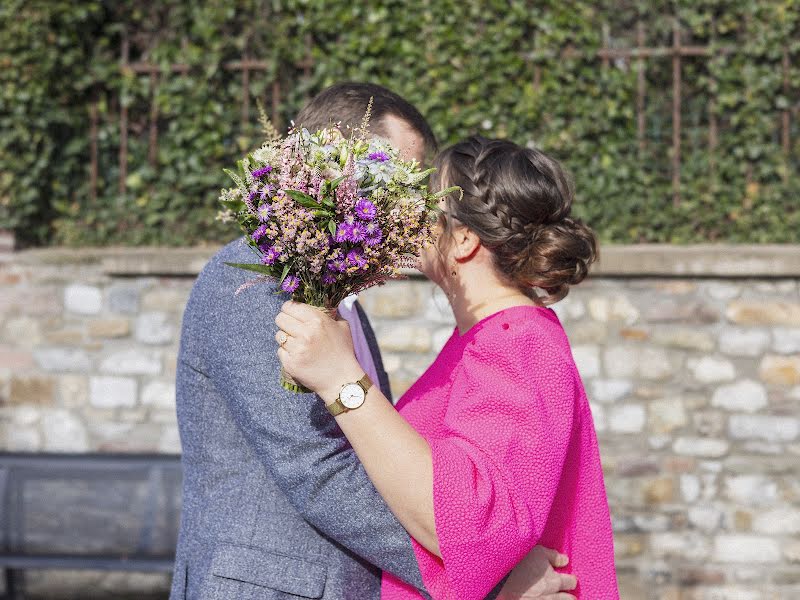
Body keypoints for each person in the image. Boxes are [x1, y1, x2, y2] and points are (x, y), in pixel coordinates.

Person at [171, 84, 577, 600]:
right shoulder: (251, 281)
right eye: (397, 181)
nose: (412, 207)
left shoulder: (343, 300)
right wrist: (487, 580)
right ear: (332, 166)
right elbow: (319, 468)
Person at [276, 136, 620, 599]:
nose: (411, 215)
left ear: (462, 240)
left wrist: (340, 379)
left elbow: (465, 522)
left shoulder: (517, 343)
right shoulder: (483, 338)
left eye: (427, 203)